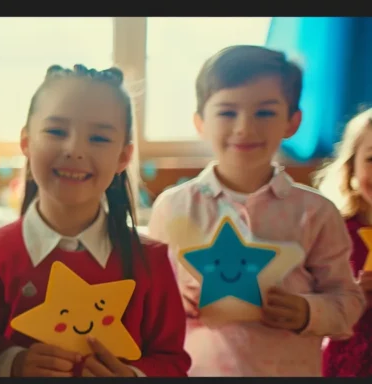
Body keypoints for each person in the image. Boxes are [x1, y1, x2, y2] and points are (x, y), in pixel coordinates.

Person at [149, 45, 365, 376]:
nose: (244, 128)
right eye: (227, 112)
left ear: (292, 122)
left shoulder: (316, 213)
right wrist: (180, 305)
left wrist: (308, 311)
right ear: (200, 122)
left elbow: (348, 302)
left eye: (264, 112)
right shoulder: (174, 207)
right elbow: (150, 305)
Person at [0, 64, 191, 378]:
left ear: (123, 158)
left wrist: (133, 376)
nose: (74, 150)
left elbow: (173, 362)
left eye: (99, 138)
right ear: (26, 142)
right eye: (56, 131)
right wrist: (13, 363)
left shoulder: (152, 261)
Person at [313, 107, 372, 377]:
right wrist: (352, 297)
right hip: (346, 364)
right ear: (351, 168)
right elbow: (315, 306)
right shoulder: (334, 231)